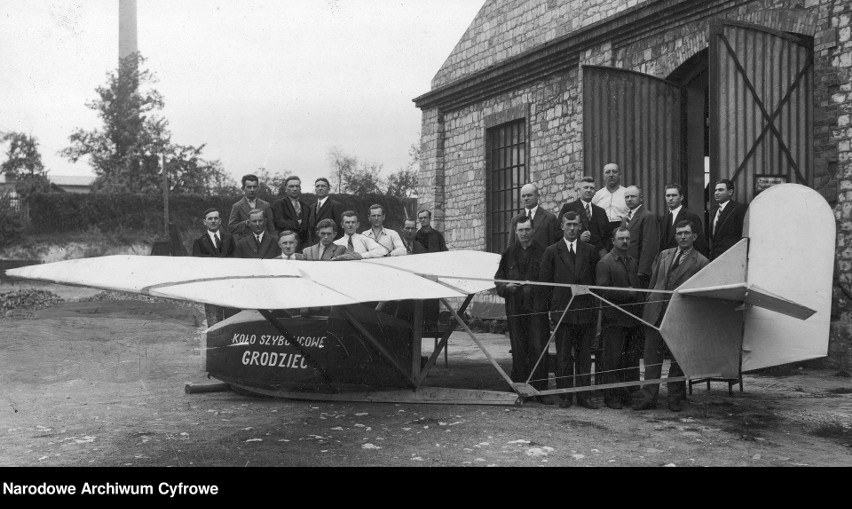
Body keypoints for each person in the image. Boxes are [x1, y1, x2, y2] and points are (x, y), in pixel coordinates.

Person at [633, 220, 709, 412]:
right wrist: (649, 301)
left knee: (678, 359)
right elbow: (653, 282)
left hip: (681, 316)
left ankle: (674, 398)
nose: (682, 237)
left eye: (686, 233)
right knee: (651, 358)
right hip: (655, 313)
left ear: (694, 237)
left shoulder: (701, 262)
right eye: (679, 233)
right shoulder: (664, 255)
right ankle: (648, 397)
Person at [539, 211, 600, 409]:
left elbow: (595, 284)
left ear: (581, 226)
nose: (572, 228)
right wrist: (551, 311)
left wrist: (593, 309)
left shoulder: (591, 251)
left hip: (585, 312)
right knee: (563, 357)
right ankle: (565, 395)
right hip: (562, 312)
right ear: (562, 227)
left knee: (583, 357)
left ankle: (584, 396)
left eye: (575, 225)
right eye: (568, 225)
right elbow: (545, 285)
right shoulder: (551, 251)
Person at [495, 216, 550, 401]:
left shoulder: (544, 252)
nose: (524, 234)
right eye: (521, 230)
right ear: (516, 231)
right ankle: (519, 390)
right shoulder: (508, 253)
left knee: (538, 348)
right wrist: (506, 287)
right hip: (516, 309)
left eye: (527, 229)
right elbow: (499, 278)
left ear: (533, 230)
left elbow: (550, 281)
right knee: (518, 349)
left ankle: (540, 391)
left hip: (537, 309)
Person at [595, 227, 642, 409]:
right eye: (621, 238)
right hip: (614, 319)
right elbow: (602, 290)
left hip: (632, 319)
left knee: (631, 360)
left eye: (627, 239)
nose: (624, 242)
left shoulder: (632, 261)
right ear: (613, 241)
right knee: (612, 359)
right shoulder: (605, 263)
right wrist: (626, 293)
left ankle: (629, 395)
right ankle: (612, 397)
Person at [191, 207, 235, 326]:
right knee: (214, 322)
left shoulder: (229, 239)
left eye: (216, 218)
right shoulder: (199, 242)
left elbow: (235, 261)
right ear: (205, 222)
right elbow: (197, 266)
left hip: (228, 286)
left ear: (220, 221)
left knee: (232, 319)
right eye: (210, 219)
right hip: (211, 288)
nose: (213, 221)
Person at [558, 176, 610, 257]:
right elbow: (558, 232)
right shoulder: (568, 208)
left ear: (595, 192)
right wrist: (577, 238)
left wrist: (604, 251)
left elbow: (608, 235)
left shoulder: (601, 211)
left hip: (597, 257)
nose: (589, 190)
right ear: (579, 190)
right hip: (575, 254)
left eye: (592, 188)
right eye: (586, 187)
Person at [623, 185, 659, 288]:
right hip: (625, 268)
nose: (629, 199)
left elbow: (649, 246)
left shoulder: (647, 216)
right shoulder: (625, 219)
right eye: (627, 197)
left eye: (633, 196)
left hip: (638, 270)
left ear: (641, 198)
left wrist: (643, 272)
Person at [659, 183, 707, 256]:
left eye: (674, 195)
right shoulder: (663, 219)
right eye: (668, 195)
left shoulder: (691, 217)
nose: (670, 198)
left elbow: (700, 244)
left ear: (681, 197)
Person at [510, 183, 561, 248]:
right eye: (523, 196)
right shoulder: (515, 220)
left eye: (529, 195)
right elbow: (510, 247)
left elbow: (554, 246)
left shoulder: (549, 218)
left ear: (538, 196)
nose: (526, 198)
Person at [709, 178, 748, 260]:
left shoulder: (739, 208)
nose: (716, 193)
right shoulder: (714, 210)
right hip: (715, 256)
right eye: (715, 190)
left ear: (730, 192)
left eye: (720, 190)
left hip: (731, 256)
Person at [592, 163, 629, 248]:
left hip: (622, 230)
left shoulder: (627, 193)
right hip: (601, 233)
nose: (611, 175)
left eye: (614, 172)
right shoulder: (597, 195)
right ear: (603, 175)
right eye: (608, 172)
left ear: (620, 174)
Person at [228, 174, 274, 239]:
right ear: (243, 188)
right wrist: (246, 223)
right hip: (245, 245)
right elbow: (231, 228)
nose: (252, 190)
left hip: (264, 243)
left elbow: (271, 228)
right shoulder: (237, 206)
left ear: (258, 188)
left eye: (254, 187)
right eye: (249, 187)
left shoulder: (266, 205)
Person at [272, 176, 310, 249]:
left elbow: (307, 227)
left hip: (303, 246)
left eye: (297, 186)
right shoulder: (279, 204)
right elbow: (280, 223)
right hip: (286, 245)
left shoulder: (306, 207)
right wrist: (298, 223)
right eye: (291, 186)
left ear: (300, 188)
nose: (295, 189)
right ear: (286, 189)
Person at [307, 177, 344, 243]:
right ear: (315, 189)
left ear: (328, 189)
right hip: (314, 246)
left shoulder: (336, 206)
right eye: (317, 186)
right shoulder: (311, 207)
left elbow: (340, 229)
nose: (320, 188)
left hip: (330, 245)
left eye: (323, 186)